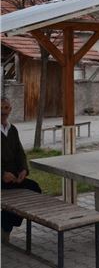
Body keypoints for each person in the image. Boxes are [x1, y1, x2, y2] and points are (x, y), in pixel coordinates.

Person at [1, 97, 42, 243]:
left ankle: (5, 224)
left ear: (10, 110)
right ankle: (5, 228)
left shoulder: (12, 129)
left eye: (6, 108)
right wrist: (2, 174)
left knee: (34, 188)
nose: (3, 112)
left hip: (13, 178)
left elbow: (20, 153)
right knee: (12, 198)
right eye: (0, 108)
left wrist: (23, 170)